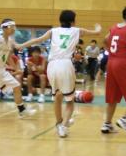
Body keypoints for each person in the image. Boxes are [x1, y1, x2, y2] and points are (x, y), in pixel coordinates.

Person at [17, 10, 101, 138]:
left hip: (52, 65)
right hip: (65, 64)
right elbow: (97, 33)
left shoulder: (53, 31)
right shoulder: (77, 30)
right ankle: (64, 125)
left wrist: (21, 45)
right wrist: (98, 28)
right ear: (73, 21)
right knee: (70, 100)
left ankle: (59, 123)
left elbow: (37, 40)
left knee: (57, 96)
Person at [101, 5, 126, 134]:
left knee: (112, 97)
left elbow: (105, 40)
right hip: (124, 63)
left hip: (111, 63)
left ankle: (107, 124)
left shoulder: (114, 28)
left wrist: (112, 52)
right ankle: (125, 119)